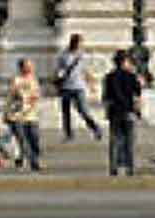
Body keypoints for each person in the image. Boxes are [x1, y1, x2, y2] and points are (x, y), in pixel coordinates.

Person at [103, 47, 143, 177]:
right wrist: (138, 110)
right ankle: (129, 167)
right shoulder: (131, 76)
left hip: (114, 111)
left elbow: (106, 97)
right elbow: (137, 94)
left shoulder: (109, 77)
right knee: (129, 141)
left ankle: (114, 167)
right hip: (128, 111)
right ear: (125, 61)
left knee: (115, 140)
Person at [55, 35, 102, 142]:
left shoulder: (82, 56)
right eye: (79, 43)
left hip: (79, 86)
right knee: (66, 112)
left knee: (83, 110)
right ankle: (68, 134)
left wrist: (91, 84)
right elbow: (59, 70)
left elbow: (86, 71)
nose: (80, 45)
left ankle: (95, 128)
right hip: (66, 86)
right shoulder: (64, 55)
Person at [4, 60, 45, 171]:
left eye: (31, 66)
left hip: (31, 115)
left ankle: (27, 159)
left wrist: (33, 100)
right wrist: (6, 113)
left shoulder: (34, 80)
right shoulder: (16, 80)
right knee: (23, 141)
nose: (31, 68)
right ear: (21, 68)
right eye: (28, 66)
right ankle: (34, 163)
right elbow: (10, 97)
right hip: (16, 115)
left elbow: (37, 95)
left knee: (35, 139)